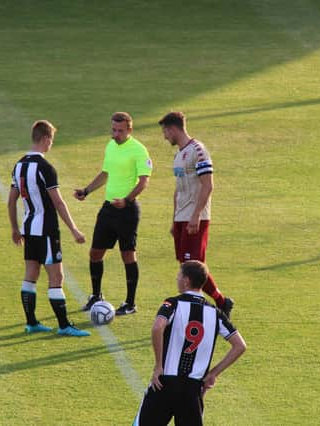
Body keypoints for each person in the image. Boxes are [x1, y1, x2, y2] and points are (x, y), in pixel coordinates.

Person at [133, 260, 247, 426]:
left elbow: (158, 327)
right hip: (193, 390)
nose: (177, 279)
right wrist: (214, 373)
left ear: (186, 280)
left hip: (164, 384)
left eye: (179, 275)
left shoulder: (173, 303)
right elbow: (240, 345)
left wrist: (158, 365)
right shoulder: (216, 313)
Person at [8, 119, 90, 337]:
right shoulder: (45, 167)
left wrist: (15, 229)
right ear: (45, 139)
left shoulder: (19, 165)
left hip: (28, 228)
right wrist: (74, 229)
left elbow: (11, 201)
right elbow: (58, 202)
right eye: (51, 141)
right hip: (46, 230)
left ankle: (32, 322)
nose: (50, 145)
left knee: (30, 275)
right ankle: (64, 325)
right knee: (56, 277)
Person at [74, 112, 152, 316]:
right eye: (114, 130)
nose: (116, 134)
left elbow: (144, 181)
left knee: (128, 255)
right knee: (95, 253)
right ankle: (96, 295)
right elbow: (105, 173)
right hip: (108, 208)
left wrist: (126, 200)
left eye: (120, 131)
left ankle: (130, 303)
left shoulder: (139, 150)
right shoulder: (110, 146)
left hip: (127, 210)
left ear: (130, 130)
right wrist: (87, 191)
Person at [159, 111, 234, 318]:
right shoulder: (178, 155)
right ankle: (221, 301)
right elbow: (178, 190)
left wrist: (196, 216)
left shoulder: (198, 151)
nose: (165, 137)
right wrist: (174, 220)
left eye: (165, 132)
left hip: (195, 217)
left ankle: (201, 307)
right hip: (182, 217)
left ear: (173, 129)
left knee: (193, 266)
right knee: (186, 264)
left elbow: (208, 185)